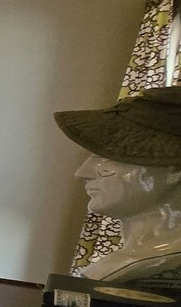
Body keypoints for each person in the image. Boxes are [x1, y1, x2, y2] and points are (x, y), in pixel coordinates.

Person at [55, 86, 181, 282]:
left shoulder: (146, 265)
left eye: (108, 161)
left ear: (175, 172)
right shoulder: (130, 259)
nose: (82, 173)